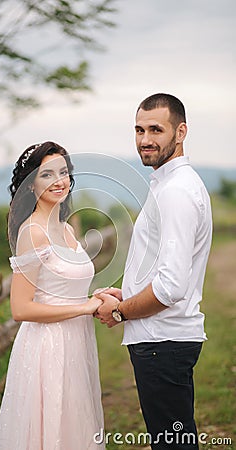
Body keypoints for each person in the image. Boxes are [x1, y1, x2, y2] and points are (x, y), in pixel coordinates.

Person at [94, 93, 212, 449]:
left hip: (164, 341)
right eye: (139, 129)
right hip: (162, 341)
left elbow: (170, 287)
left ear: (181, 132)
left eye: (156, 129)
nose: (145, 139)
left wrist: (118, 310)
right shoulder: (165, 184)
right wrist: (127, 293)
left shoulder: (176, 191)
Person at [0, 141, 104, 450]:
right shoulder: (33, 232)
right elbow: (21, 309)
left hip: (76, 342)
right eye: (47, 174)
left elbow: (64, 290)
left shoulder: (66, 229)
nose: (59, 181)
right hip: (48, 348)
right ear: (30, 184)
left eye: (64, 172)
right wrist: (84, 307)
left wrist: (98, 296)